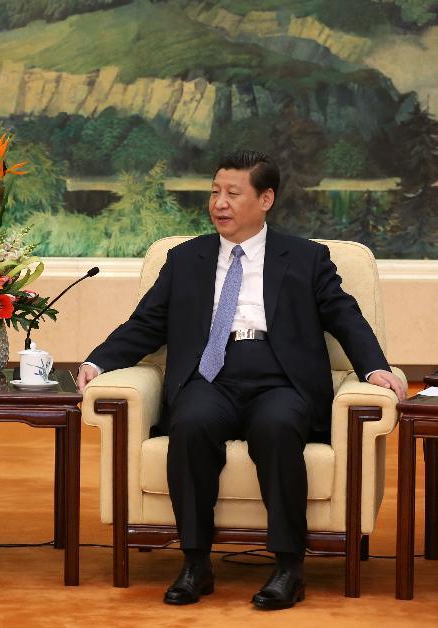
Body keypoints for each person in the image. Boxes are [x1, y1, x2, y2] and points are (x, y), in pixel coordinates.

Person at [77, 150, 405, 610]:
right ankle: (196, 562)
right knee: (189, 426)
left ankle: (288, 567)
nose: (219, 203)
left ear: (265, 198)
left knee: (276, 429)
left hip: (278, 378)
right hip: (210, 375)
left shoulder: (307, 258)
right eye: (215, 192)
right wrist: (98, 361)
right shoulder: (186, 258)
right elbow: (147, 324)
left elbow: (345, 317)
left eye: (233, 193)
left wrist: (375, 368)